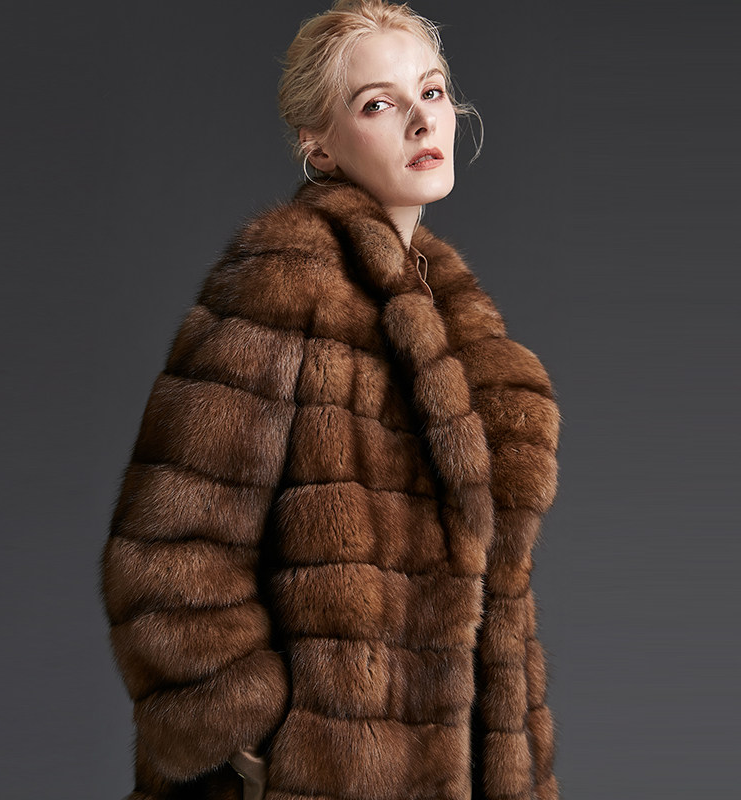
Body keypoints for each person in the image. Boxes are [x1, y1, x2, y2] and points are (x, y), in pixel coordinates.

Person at [100, 2, 562, 799]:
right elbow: (167, 551)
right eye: (378, 104)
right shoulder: (284, 281)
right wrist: (258, 744)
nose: (422, 119)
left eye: (433, 91)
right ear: (319, 143)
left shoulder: (457, 322)